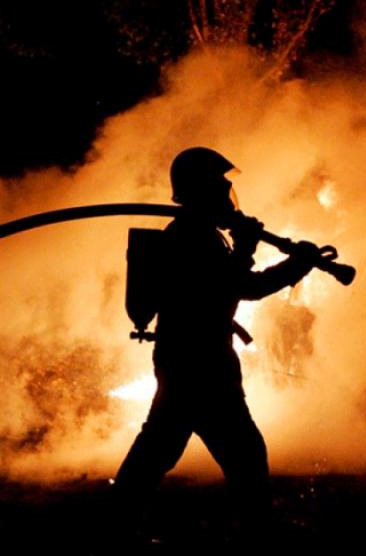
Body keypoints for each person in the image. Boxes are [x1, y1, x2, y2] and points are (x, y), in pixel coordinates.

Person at [113, 147, 319, 536]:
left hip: (190, 358)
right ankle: (259, 531)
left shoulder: (201, 235)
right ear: (202, 190)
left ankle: (116, 521)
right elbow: (239, 287)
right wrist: (278, 259)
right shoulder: (192, 238)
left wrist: (277, 258)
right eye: (220, 186)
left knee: (160, 447)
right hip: (200, 362)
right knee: (241, 453)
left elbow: (232, 285)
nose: (227, 194)